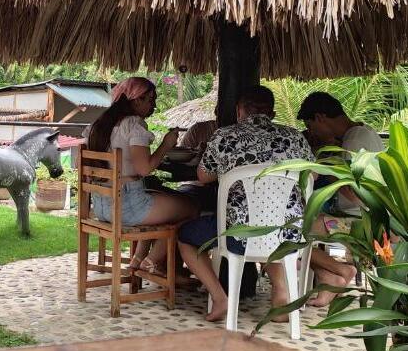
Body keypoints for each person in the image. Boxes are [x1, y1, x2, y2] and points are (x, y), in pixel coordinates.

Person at [177, 86, 314, 322]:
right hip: (288, 236)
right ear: (272, 113)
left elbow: (203, 176)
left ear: (239, 111)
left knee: (186, 236)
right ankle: (281, 293)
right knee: (271, 223)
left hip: (238, 236)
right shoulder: (294, 137)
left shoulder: (223, 136)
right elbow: (313, 175)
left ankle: (220, 298)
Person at [86, 77, 198, 276]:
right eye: (151, 100)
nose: (154, 106)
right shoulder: (133, 124)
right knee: (191, 208)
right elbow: (145, 169)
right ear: (136, 100)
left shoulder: (98, 126)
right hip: (128, 208)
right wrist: (166, 144)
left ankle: (137, 261)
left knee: (162, 198)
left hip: (102, 208)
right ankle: (152, 262)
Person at [296, 92, 382, 306]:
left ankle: (341, 270)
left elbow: (353, 192)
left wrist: (328, 170)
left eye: (311, 126)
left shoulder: (354, 141)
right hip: (359, 218)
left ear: (320, 117)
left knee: (288, 231)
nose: (312, 133)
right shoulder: (364, 132)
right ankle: (330, 279)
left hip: (357, 224)